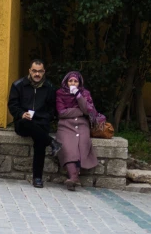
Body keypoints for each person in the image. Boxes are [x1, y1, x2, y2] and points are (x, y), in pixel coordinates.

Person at [7, 59, 60, 188]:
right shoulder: (18, 85)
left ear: (44, 72)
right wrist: (21, 114)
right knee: (26, 123)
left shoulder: (49, 87)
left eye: (40, 71)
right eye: (34, 71)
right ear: (29, 71)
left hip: (41, 122)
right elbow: (12, 105)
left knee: (40, 141)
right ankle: (52, 142)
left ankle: (37, 178)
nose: (37, 74)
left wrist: (46, 117)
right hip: (24, 122)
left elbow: (52, 108)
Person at [55, 71, 102, 191]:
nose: (72, 83)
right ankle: (74, 176)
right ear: (66, 82)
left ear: (79, 83)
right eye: (70, 81)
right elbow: (61, 112)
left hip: (82, 125)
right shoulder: (60, 93)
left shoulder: (85, 94)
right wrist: (80, 111)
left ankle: (74, 177)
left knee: (82, 144)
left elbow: (87, 110)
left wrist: (78, 96)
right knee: (67, 145)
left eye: (75, 81)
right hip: (65, 125)